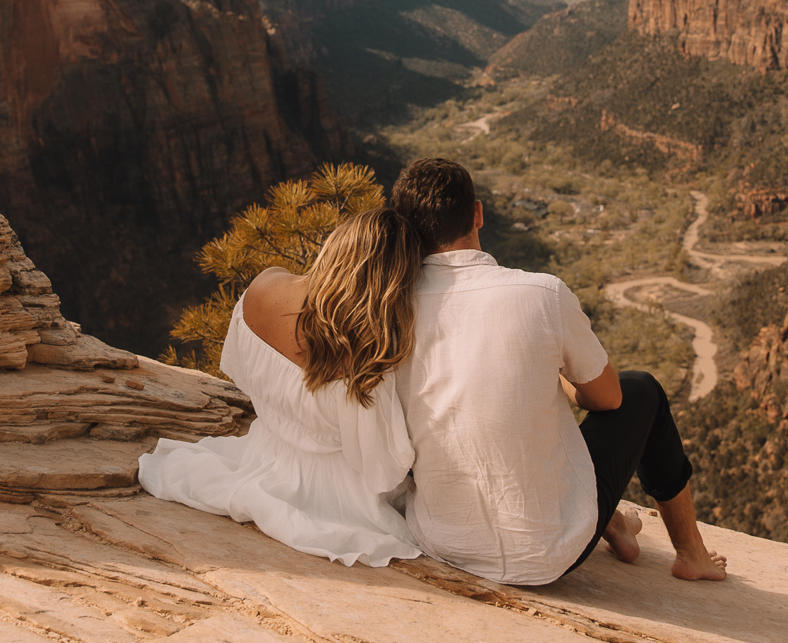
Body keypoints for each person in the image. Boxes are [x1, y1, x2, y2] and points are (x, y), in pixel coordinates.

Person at [390, 157, 728, 586]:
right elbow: (609, 400)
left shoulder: (389, 310)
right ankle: (692, 556)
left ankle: (617, 524)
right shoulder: (541, 292)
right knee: (642, 389)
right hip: (549, 553)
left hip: (440, 540)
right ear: (477, 213)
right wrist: (554, 374)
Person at [137, 207, 425, 567]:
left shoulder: (265, 287)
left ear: (335, 244)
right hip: (344, 499)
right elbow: (382, 463)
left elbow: (237, 366)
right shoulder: (368, 359)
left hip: (261, 453)